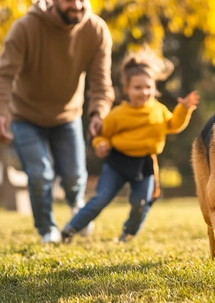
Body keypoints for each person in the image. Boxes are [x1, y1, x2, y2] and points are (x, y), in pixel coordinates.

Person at [0, 0, 115, 244]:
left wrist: (98, 113)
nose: (77, 4)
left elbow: (101, 82)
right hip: (26, 116)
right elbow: (3, 74)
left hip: (67, 115)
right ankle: (47, 229)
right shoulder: (26, 28)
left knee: (73, 177)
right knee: (39, 174)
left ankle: (76, 207)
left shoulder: (96, 30)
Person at [61, 49, 200, 243]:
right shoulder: (118, 114)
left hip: (145, 164)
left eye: (148, 87)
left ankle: (127, 235)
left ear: (154, 87)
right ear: (126, 89)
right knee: (101, 198)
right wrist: (101, 144)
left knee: (141, 203)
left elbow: (173, 125)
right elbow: (101, 136)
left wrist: (184, 109)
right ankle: (70, 228)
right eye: (137, 87)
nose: (144, 92)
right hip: (118, 161)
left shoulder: (158, 111)